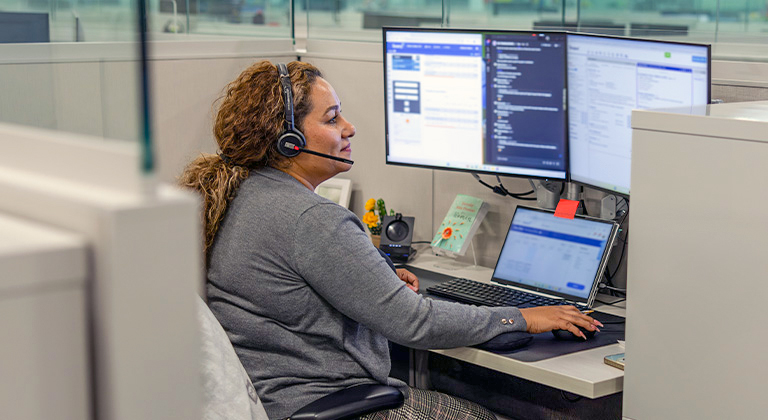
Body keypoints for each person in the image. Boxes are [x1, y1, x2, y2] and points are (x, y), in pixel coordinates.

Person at [179, 60, 602, 419]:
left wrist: (374, 276)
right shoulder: (312, 219)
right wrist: (522, 317)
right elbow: (414, 322)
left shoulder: (237, 192)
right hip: (333, 404)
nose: (349, 128)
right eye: (331, 119)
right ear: (288, 140)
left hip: (276, 401)